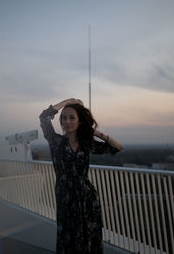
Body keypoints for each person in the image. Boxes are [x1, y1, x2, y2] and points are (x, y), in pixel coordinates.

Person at [39, 98, 123, 254]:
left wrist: (96, 132)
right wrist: (67, 102)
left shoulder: (86, 143)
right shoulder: (56, 141)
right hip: (66, 198)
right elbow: (44, 117)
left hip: (87, 199)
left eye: (72, 117)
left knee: (89, 238)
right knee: (67, 238)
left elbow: (117, 147)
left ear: (79, 122)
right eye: (64, 118)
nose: (67, 121)